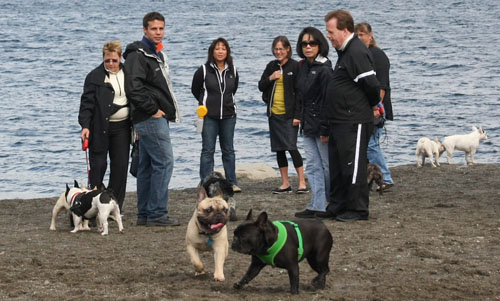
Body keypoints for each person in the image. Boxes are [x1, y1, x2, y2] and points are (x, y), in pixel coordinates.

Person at [318, 10, 380, 222]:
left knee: (353, 166)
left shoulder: (356, 52)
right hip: (339, 119)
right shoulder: (344, 51)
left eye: (331, 32)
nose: (328, 36)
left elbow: (371, 84)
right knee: (337, 166)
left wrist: (372, 105)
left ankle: (358, 209)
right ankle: (338, 205)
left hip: (354, 120)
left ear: (345, 31)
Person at [123, 12, 180, 227]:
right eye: (154, 29)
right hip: (149, 117)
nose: (158, 32)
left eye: (161, 28)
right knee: (165, 162)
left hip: (151, 117)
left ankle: (145, 214)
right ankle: (157, 213)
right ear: (145, 30)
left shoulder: (152, 53)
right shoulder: (138, 55)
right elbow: (133, 88)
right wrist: (153, 109)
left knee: (147, 165)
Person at [78, 41, 131, 213]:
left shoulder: (128, 73)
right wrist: (85, 126)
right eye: (107, 60)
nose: (111, 64)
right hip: (99, 127)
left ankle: (114, 206)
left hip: (122, 128)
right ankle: (93, 207)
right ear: (103, 58)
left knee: (120, 166)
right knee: (98, 166)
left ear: (120, 58)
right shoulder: (94, 77)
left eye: (114, 60)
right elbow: (86, 105)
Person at [258, 36, 308, 194]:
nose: (278, 52)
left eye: (281, 49)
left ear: (288, 49)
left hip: (290, 114)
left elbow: (301, 93)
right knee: (279, 149)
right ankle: (285, 183)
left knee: (292, 147)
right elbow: (261, 85)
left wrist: (298, 115)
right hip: (274, 114)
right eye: (276, 49)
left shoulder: (295, 66)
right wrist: (271, 78)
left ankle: (301, 182)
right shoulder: (271, 66)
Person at [191, 37, 241, 193]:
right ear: (212, 51)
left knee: (229, 150)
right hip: (208, 117)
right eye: (217, 48)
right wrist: (205, 103)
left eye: (223, 48)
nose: (220, 51)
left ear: (227, 51)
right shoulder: (204, 70)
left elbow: (234, 89)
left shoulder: (233, 69)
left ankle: (231, 182)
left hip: (228, 116)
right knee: (208, 151)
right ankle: (206, 183)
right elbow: (195, 89)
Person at [293, 27, 333, 218]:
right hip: (307, 124)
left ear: (320, 45)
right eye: (304, 44)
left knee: (327, 165)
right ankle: (317, 204)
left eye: (312, 43)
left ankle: (333, 202)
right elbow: (301, 96)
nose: (308, 47)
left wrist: (325, 129)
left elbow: (328, 101)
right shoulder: (303, 67)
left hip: (321, 125)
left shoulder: (325, 69)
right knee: (313, 165)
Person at [355, 22, 395, 191]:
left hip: (376, 108)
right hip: (363, 107)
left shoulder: (377, 56)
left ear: (370, 36)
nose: (359, 38)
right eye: (356, 35)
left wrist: (377, 107)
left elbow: (382, 86)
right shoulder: (360, 55)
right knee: (366, 145)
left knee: (371, 144)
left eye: (361, 35)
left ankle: (385, 178)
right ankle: (372, 178)